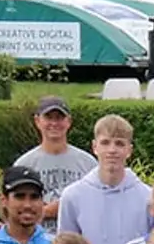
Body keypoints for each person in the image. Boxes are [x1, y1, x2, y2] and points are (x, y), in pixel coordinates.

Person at [57, 113, 150, 244]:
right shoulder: (72, 196)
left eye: (119, 144)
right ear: (95, 147)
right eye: (105, 143)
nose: (112, 150)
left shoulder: (148, 197)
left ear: (129, 150)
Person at [14, 96, 97, 228]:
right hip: (36, 237)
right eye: (48, 117)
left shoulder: (88, 163)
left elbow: (96, 203)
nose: (54, 123)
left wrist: (57, 208)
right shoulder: (24, 164)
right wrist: (47, 211)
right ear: (37, 121)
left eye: (59, 118)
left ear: (69, 121)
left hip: (76, 238)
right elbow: (16, 209)